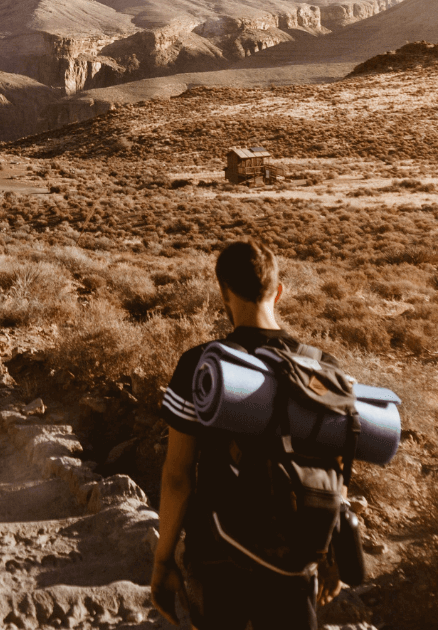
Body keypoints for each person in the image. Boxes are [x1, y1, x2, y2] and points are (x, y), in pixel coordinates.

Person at [151, 241, 330, 630]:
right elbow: (330, 470)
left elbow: (178, 476)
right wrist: (326, 551)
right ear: (278, 291)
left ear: (223, 293)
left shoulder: (199, 365)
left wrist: (163, 559)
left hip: (218, 552)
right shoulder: (320, 368)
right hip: (295, 553)